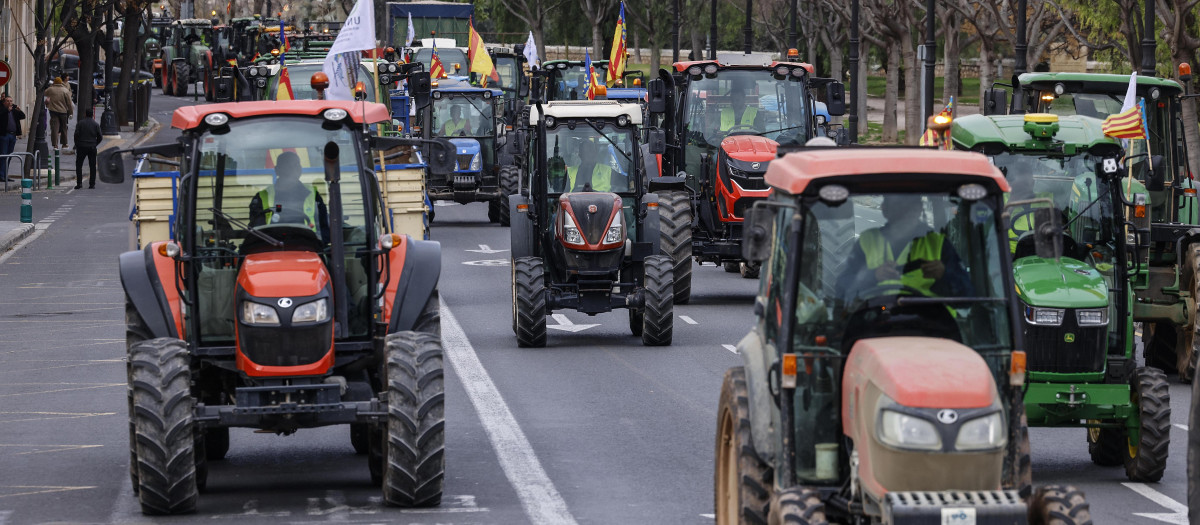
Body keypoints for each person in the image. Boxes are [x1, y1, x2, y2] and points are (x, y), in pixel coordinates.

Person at [836, 194, 972, 301]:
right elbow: (842, 289)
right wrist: (874, 276)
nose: (906, 212)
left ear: (919, 209)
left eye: (911, 206)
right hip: (877, 320)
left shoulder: (938, 244)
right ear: (885, 209)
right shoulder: (867, 241)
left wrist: (943, 275)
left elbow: (968, 295)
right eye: (899, 206)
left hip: (930, 325)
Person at [249, 151, 330, 241]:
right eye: (287, 166)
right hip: (271, 249)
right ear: (277, 170)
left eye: (295, 166)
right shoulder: (261, 197)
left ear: (300, 169)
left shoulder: (313, 195)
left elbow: (324, 230)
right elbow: (256, 233)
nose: (291, 170)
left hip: (309, 249)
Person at [73, 108, 102, 189]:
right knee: (92, 166)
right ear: (92, 115)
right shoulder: (95, 124)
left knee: (79, 165)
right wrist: (95, 143)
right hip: (92, 146)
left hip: (81, 146)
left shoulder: (80, 123)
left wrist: (77, 144)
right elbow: (100, 136)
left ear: (85, 114)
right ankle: (92, 184)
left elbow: (76, 135)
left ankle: (79, 183)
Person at [0, 96, 26, 181]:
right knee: (3, 155)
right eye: (7, 101)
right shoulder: (2, 110)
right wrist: (7, 110)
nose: (10, 103)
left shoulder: (14, 111)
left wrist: (19, 109)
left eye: (11, 101)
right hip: (4, 135)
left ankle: (5, 175)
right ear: (4, 102)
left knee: (9, 156)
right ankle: (1, 175)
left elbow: (23, 116)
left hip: (13, 135)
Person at [45, 77, 74, 151]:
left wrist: (51, 86)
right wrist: (70, 112)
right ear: (61, 82)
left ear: (54, 82)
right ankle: (64, 144)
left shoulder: (51, 89)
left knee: (54, 128)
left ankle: (55, 145)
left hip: (53, 111)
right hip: (63, 112)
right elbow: (69, 103)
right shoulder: (65, 90)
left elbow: (45, 92)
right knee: (64, 128)